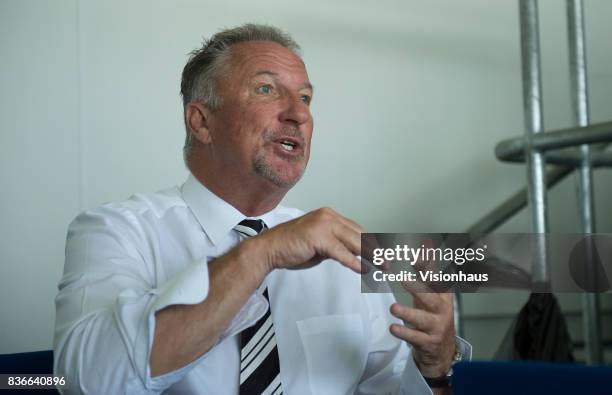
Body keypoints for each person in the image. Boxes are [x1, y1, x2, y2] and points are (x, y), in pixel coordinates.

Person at [54, 24, 470, 395]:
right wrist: (261, 252)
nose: (299, 113)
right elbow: (83, 381)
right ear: (201, 122)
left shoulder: (346, 255)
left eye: (306, 98)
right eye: (267, 89)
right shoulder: (115, 231)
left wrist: (432, 371)